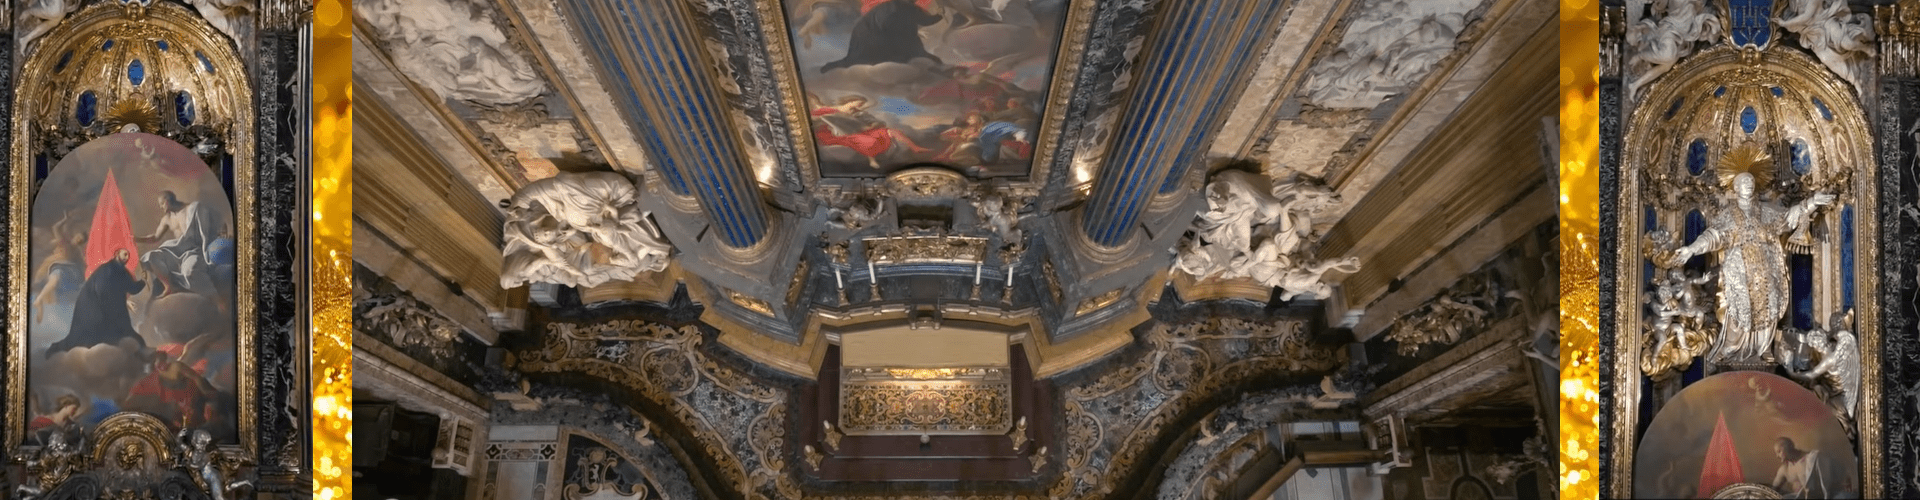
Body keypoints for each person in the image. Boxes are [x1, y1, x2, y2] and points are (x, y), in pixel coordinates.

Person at [1665, 171, 1832, 364]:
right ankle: (1731, 348)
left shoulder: (1767, 211)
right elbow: (1712, 236)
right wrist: (1691, 249)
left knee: (1769, 305)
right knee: (1738, 308)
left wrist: (1812, 202)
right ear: (1735, 188)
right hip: (1740, 271)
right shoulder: (1728, 215)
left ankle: (1763, 348)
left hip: (1767, 270)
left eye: (1751, 180)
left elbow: (1788, 218)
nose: (1749, 184)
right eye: (1744, 181)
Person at [46, 248, 146, 354]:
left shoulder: (123, 272)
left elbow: (132, 288)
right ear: (117, 254)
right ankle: (54, 351)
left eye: (128, 255)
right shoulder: (106, 270)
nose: (127, 257)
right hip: (96, 310)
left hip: (115, 311)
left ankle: (140, 353)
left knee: (125, 336)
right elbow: (102, 290)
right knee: (82, 340)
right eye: (125, 254)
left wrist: (143, 281)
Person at [137, 190, 221, 298]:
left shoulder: (193, 208)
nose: (161, 207)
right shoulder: (167, 218)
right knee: (150, 257)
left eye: (161, 204)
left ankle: (216, 297)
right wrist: (135, 239)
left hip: (193, 251)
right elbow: (155, 237)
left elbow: (206, 235)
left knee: (190, 272)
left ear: (167, 201)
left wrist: (207, 255)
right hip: (175, 252)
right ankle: (168, 286)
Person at [819, 0, 944, 72]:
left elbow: (924, 20)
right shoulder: (892, 9)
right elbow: (895, 30)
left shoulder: (908, 7)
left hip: (887, 43)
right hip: (873, 46)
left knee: (921, 58)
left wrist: (939, 15)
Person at [812, 96, 930, 168]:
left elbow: (861, 121)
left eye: (860, 105)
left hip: (855, 132)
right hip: (835, 135)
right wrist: (822, 119)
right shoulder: (829, 110)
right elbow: (812, 117)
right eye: (858, 103)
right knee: (868, 141)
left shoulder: (853, 111)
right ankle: (871, 160)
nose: (859, 106)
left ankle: (915, 147)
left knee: (890, 131)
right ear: (850, 101)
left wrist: (870, 126)